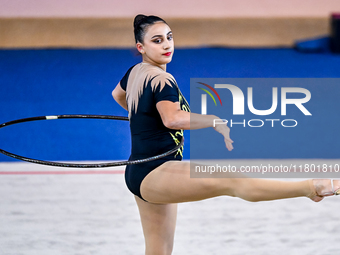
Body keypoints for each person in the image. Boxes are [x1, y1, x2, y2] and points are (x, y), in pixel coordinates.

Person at [112, 14, 340, 255]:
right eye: (157, 41)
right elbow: (173, 119)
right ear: (141, 47)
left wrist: (144, 117)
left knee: (159, 251)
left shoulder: (136, 72)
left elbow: (118, 94)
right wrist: (212, 120)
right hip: (155, 172)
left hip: (140, 169)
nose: (167, 45)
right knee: (232, 180)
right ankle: (313, 187)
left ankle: (313, 187)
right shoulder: (163, 79)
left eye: (169, 37)